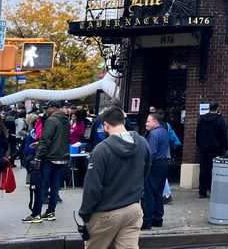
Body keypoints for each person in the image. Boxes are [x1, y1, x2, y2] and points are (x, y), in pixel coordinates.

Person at [78, 106, 151, 249]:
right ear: (123, 121)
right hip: (133, 208)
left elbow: (92, 186)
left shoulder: (101, 149)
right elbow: (145, 172)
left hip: (106, 211)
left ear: (105, 125)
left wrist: (85, 214)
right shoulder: (142, 143)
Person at [23, 100, 70, 223]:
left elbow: (46, 140)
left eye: (47, 108)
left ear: (53, 108)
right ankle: (50, 212)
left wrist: (38, 157)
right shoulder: (65, 120)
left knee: (41, 185)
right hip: (61, 157)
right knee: (55, 186)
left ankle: (36, 214)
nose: (45, 111)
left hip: (49, 158)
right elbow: (58, 138)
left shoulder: (51, 120)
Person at [141, 112, 169, 230]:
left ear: (155, 122)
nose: (146, 124)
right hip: (164, 163)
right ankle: (158, 219)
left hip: (155, 165)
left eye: (148, 121)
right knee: (158, 192)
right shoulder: (164, 131)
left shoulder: (154, 134)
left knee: (149, 193)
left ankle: (147, 221)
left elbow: (151, 154)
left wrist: (144, 168)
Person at [195, 101, 228, 198]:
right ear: (217, 108)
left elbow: (198, 134)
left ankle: (202, 191)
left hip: (204, 148)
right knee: (216, 170)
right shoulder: (219, 120)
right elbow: (223, 135)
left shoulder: (201, 119)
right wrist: (226, 147)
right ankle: (213, 189)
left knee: (204, 169)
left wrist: (199, 145)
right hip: (216, 148)